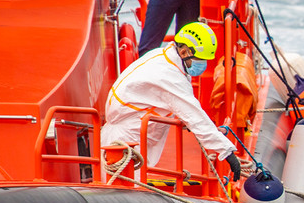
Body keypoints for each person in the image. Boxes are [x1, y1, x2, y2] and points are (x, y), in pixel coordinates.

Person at [103, 21, 240, 178]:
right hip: (128, 138)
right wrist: (227, 151)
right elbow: (194, 115)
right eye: (199, 59)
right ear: (183, 52)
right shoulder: (169, 76)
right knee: (126, 185)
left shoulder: (161, 56)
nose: (202, 65)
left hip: (128, 131)